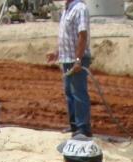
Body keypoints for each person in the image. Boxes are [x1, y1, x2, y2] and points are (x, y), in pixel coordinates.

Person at [46, 0, 92, 137]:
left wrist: (78, 60)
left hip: (76, 59)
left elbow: (82, 36)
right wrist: (57, 52)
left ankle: (83, 128)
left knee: (78, 93)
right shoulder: (66, 10)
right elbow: (66, 36)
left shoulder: (80, 9)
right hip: (66, 59)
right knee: (69, 93)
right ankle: (74, 126)